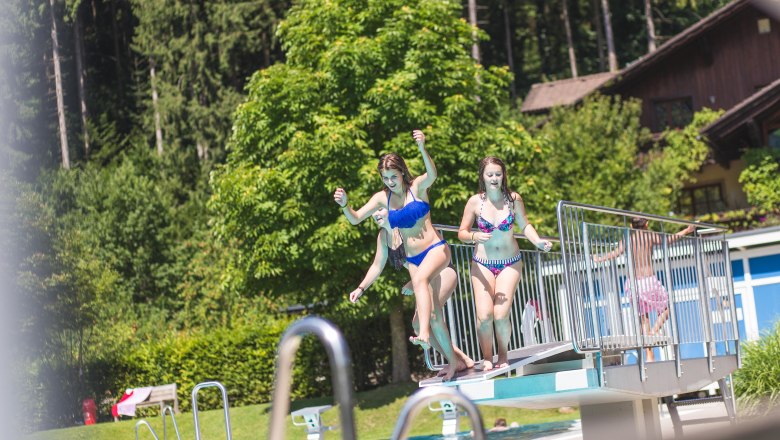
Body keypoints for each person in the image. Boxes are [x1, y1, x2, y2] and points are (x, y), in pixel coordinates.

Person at [334, 130, 455, 371]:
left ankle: (423, 336)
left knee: (421, 290)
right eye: (385, 177)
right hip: (416, 259)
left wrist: (422, 148)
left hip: (436, 249)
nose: (390, 181)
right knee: (432, 316)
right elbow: (357, 219)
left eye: (393, 176)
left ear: (402, 172)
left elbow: (432, 174)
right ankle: (456, 362)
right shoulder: (382, 199)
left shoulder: (417, 188)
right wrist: (346, 205)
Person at [347, 209, 474, 378]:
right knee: (417, 324)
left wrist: (413, 282)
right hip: (420, 280)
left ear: (391, 210)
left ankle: (453, 363)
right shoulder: (384, 237)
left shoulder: (406, 228)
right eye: (373, 212)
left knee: (433, 316)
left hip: (442, 272)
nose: (376, 214)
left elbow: (428, 255)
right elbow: (377, 266)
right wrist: (360, 288)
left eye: (380, 209)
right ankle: (460, 360)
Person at [457, 156, 552, 371]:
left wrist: (537, 241)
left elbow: (525, 225)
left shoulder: (513, 199)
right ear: (482, 177)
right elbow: (462, 232)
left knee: (500, 315)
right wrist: (474, 237)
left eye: (498, 174)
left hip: (510, 262)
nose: (494, 178)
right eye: (489, 174)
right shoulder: (475, 202)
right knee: (484, 316)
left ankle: (503, 353)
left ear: (503, 176)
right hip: (482, 264)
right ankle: (487, 356)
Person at [593, 217, 695, 361]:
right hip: (649, 282)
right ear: (647, 224)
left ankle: (649, 354)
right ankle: (653, 332)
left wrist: (599, 259)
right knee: (667, 308)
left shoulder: (628, 240)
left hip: (633, 284)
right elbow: (669, 240)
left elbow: (615, 253)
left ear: (630, 225)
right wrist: (686, 230)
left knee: (644, 317)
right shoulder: (649, 236)